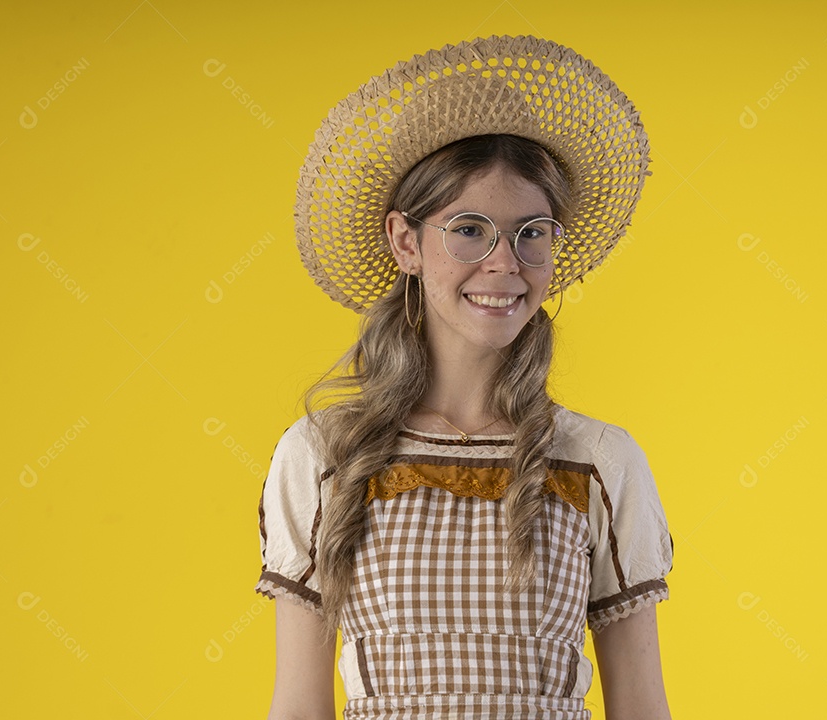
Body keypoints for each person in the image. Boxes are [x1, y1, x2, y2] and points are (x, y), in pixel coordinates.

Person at [254, 35, 675, 720]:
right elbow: (300, 706)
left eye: (531, 232)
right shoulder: (324, 456)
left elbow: (642, 707)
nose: (505, 262)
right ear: (406, 242)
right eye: (470, 229)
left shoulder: (598, 462)